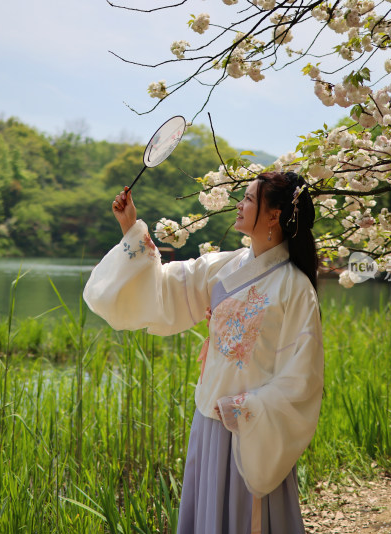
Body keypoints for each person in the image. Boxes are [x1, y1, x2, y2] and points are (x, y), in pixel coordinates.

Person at [83, 171, 324, 534]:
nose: (239, 205)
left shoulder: (294, 286)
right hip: (209, 420)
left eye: (248, 198)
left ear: (274, 215)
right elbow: (163, 287)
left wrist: (245, 408)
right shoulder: (224, 266)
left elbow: (302, 378)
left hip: (251, 428)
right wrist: (131, 228)